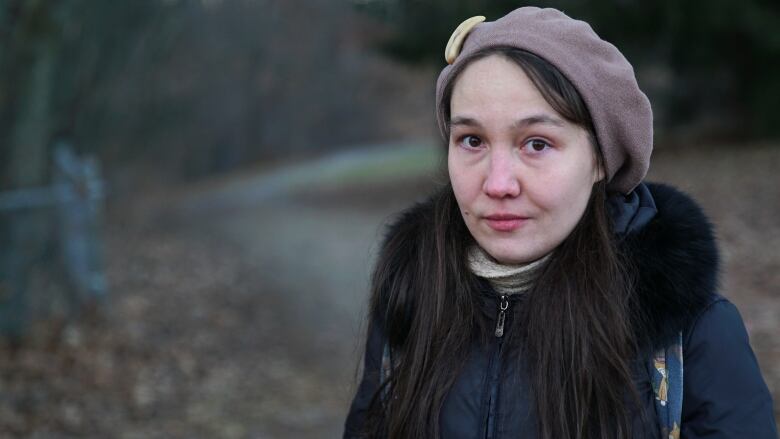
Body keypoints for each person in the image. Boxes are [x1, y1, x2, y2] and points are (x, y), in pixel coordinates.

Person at [343, 7, 778, 439]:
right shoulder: (414, 299)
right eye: (471, 140)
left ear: (600, 162)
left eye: (536, 143)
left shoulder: (690, 331)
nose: (498, 184)